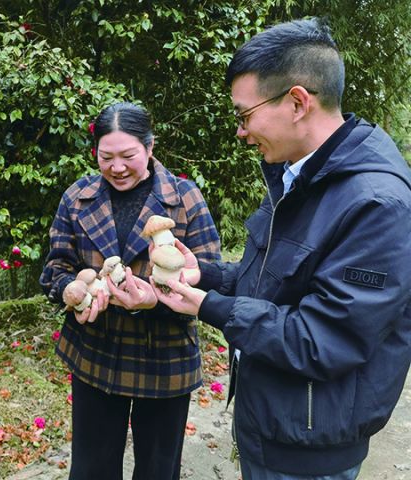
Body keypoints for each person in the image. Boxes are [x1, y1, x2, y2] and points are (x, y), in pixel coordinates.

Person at [153, 17, 411, 480]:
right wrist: (206, 276)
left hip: (310, 446)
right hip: (273, 422)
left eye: (244, 115)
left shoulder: (377, 204)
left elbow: (323, 339)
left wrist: (210, 306)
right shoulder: (298, 175)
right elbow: (277, 279)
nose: (241, 132)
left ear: (296, 101)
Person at [40, 101, 221, 479]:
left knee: (158, 468)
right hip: (95, 350)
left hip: (165, 356)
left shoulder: (185, 199)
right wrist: (72, 289)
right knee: (92, 468)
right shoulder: (78, 197)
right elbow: (55, 268)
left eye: (128, 155)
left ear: (150, 148)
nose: (117, 167)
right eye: (106, 157)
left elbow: (209, 275)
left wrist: (154, 301)